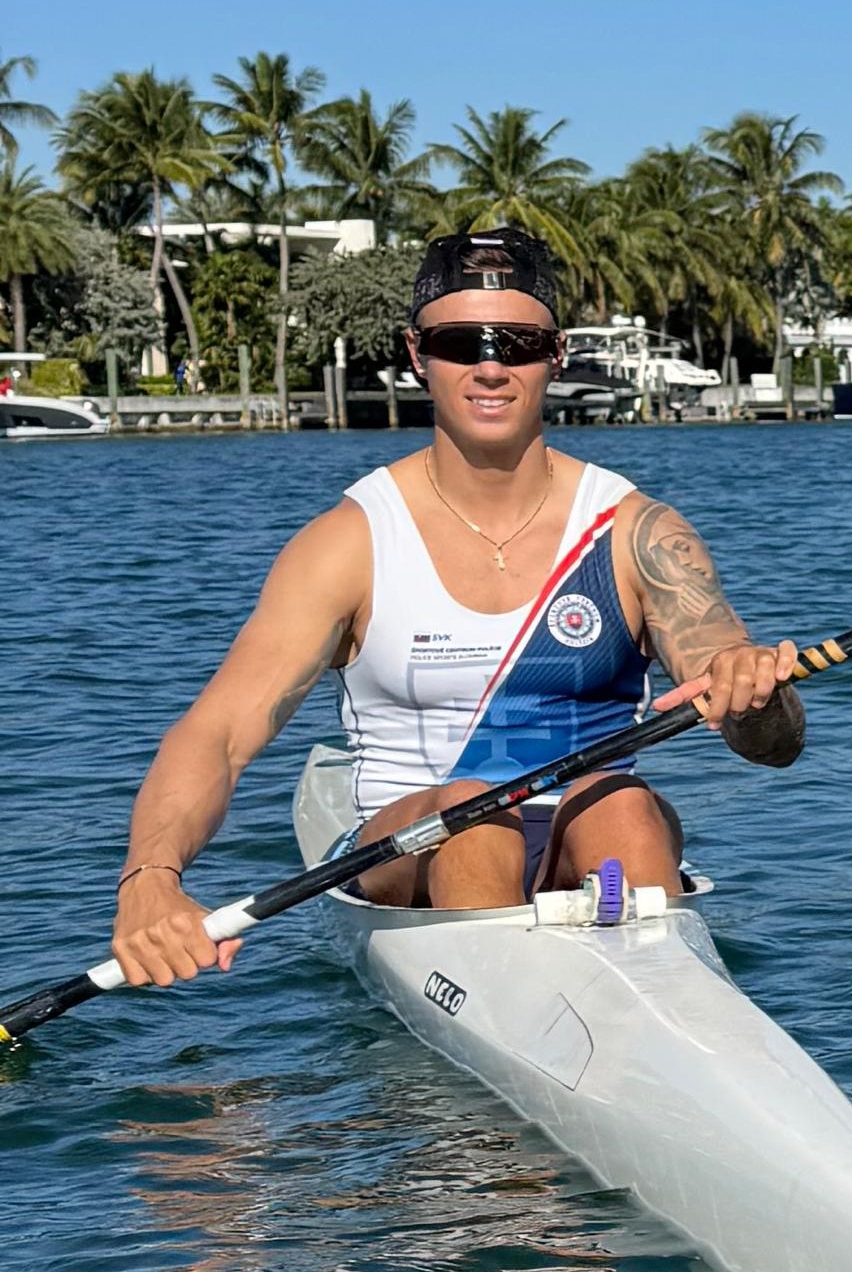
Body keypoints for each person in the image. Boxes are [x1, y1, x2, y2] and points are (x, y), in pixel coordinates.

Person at [106, 228, 805, 989]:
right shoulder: (350, 542)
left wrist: (755, 695)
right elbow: (218, 733)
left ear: (557, 353)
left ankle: (672, 1008)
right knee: (473, 811)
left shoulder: (638, 533)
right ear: (417, 354)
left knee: (625, 805)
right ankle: (500, 1043)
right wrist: (151, 876)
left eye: (518, 342)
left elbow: (772, 744)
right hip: (408, 854)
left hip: (592, 845)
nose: (491, 366)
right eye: (461, 341)